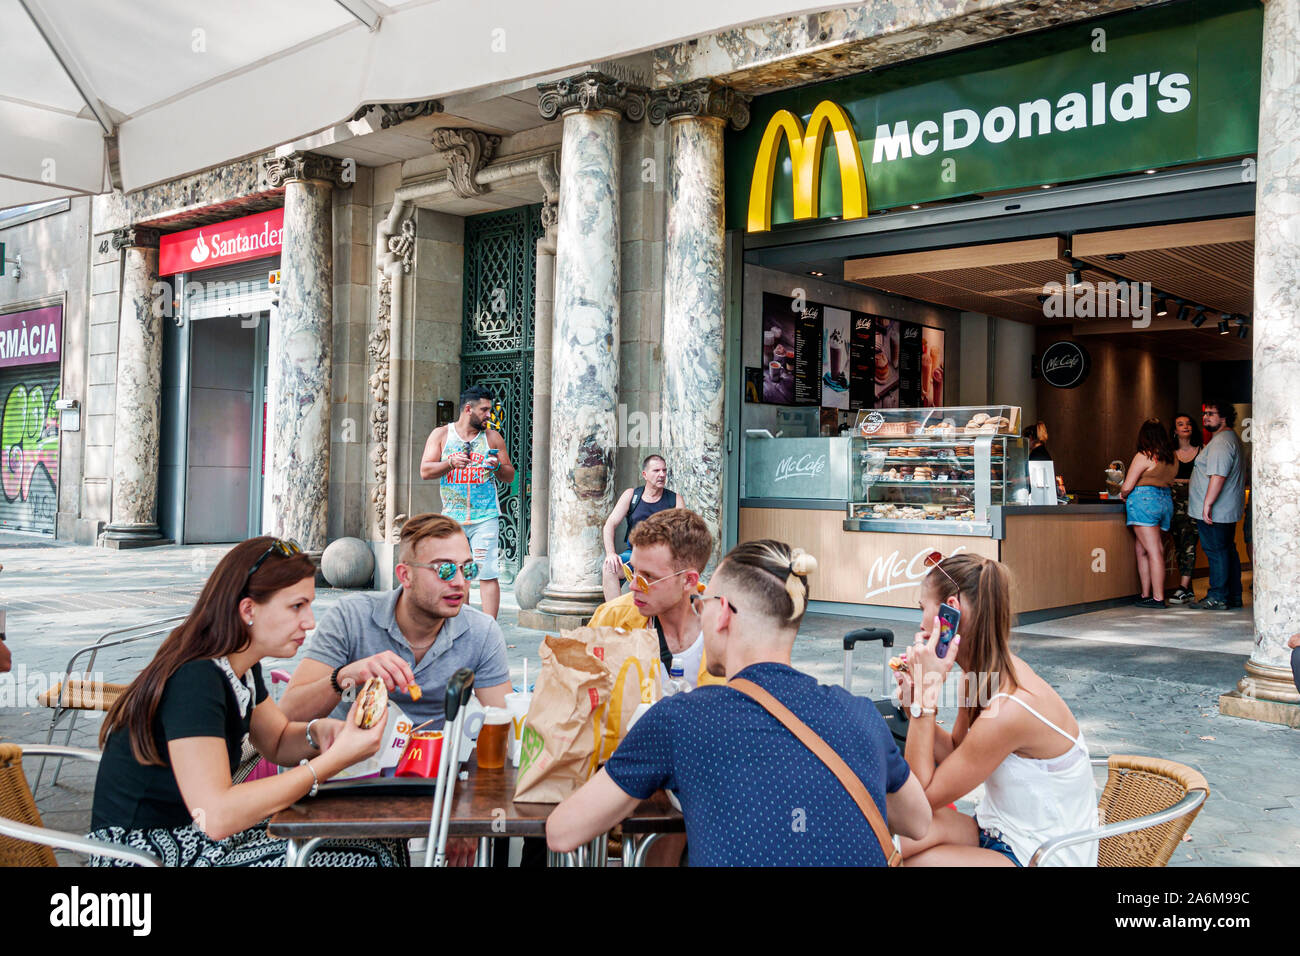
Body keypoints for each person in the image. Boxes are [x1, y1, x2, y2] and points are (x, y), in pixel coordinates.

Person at [548, 539, 932, 866]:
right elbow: (917, 821)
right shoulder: (861, 713)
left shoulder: (681, 718)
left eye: (704, 602)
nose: (700, 609)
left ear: (724, 613)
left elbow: (563, 832)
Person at [88, 537, 406, 867]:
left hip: (195, 835)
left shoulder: (238, 666)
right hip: (149, 850)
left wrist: (319, 733)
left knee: (376, 837)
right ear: (248, 609)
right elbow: (216, 816)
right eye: (297, 606)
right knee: (362, 857)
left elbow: (278, 741)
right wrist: (334, 760)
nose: (310, 622)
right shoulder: (197, 679)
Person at [281, 513, 512, 868]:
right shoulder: (351, 617)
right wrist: (345, 675)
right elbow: (288, 716)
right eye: (445, 570)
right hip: (351, 782)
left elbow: (502, 732)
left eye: (468, 569)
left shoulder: (481, 633)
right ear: (404, 575)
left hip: (437, 785)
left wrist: (468, 813)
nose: (461, 583)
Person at [897, 553, 1098, 866]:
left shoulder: (1010, 709)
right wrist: (913, 708)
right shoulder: (981, 677)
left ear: (950, 610)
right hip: (995, 830)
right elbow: (958, 754)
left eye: (923, 608)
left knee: (913, 861)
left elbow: (918, 803)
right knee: (889, 834)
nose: (921, 622)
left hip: (1040, 855)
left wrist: (925, 698)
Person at [590, 508, 725, 694]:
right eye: (632, 572)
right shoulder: (611, 618)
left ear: (688, 580)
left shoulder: (727, 632)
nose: (633, 586)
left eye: (647, 577)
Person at [419, 385, 515, 618]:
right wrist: (450, 464)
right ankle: (462, 623)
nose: (488, 415)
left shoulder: (492, 437)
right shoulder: (442, 435)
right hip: (453, 518)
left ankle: (489, 628)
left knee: (487, 572)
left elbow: (510, 475)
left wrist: (497, 467)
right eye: (484, 410)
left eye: (490, 410)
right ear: (468, 409)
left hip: (486, 516)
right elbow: (425, 470)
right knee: (459, 573)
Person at [1188, 400, 1245, 610]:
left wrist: (1207, 505)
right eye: (1205, 413)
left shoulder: (1221, 442)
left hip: (1217, 511)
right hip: (1224, 510)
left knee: (1217, 551)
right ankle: (1232, 596)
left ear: (1224, 418)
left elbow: (1218, 475)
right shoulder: (1229, 439)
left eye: (1211, 414)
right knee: (1227, 550)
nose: (1206, 417)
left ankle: (1218, 596)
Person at [601, 455, 680, 602]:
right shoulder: (632, 495)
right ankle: (616, 617)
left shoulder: (675, 500)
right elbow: (609, 525)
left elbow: (684, 535)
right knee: (609, 568)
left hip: (662, 557)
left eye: (664, 470)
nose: (662, 474)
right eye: (656, 470)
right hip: (634, 554)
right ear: (645, 474)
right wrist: (611, 553)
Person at [1117, 418, 1177, 608]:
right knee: (1142, 549)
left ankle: (1158, 598)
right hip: (1165, 501)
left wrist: (1123, 494)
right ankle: (1146, 594)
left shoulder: (1144, 455)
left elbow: (1127, 486)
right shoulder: (1172, 457)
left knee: (1154, 550)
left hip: (1145, 500)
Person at [1166, 413, 1203, 604]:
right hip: (1173, 504)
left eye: (1188, 423)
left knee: (1189, 543)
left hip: (1194, 502)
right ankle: (1187, 588)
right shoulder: (1169, 453)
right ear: (1175, 430)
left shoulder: (1202, 450)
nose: (1185, 426)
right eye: (1180, 424)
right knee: (1179, 545)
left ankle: (1182, 587)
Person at [1022, 421, 1066, 496]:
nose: (1023, 443)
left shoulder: (1037, 454)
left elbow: (1037, 477)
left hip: (1039, 497)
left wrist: (1016, 481)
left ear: (1030, 438)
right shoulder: (1042, 451)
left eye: (1024, 439)